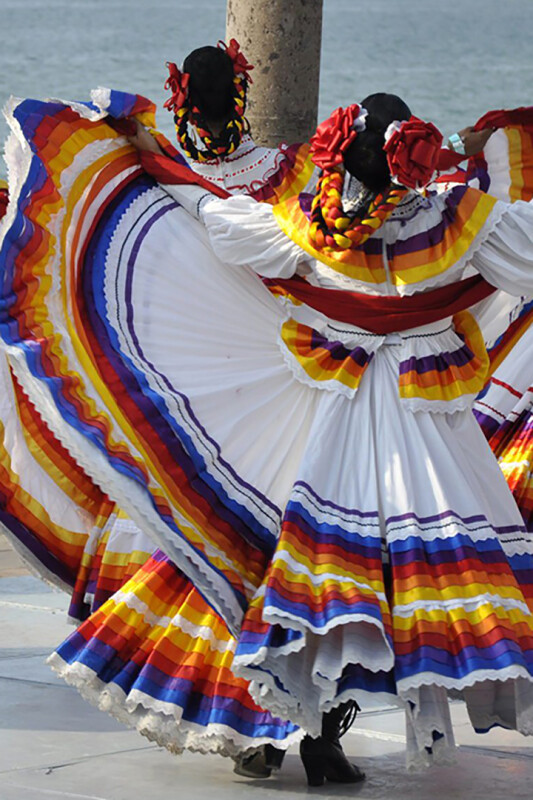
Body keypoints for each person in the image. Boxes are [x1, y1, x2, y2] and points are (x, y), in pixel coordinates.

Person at [2, 71, 533, 789]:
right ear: (414, 158)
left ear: (345, 158)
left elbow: (216, 221)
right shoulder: (462, 221)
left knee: (276, 564)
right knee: (382, 583)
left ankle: (271, 731)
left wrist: (160, 167)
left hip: (319, 411)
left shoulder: (309, 226)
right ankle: (322, 740)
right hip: (423, 431)